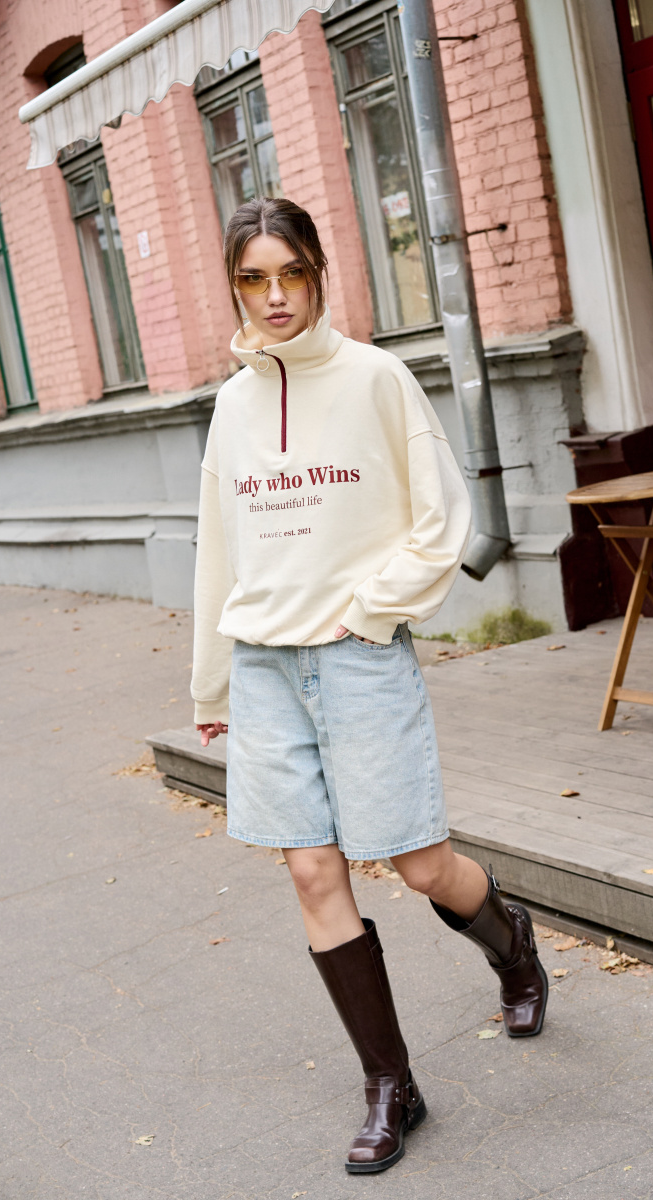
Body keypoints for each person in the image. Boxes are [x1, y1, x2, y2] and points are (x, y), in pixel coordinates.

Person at [190, 197, 548, 1175]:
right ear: (234, 287)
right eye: (253, 279)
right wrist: (211, 686)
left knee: (420, 864)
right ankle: (391, 1086)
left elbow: (442, 515)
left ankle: (510, 943)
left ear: (317, 274)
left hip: (356, 655)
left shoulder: (376, 379)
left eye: (290, 274)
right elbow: (218, 549)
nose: (274, 296)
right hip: (263, 665)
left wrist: (375, 609)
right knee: (312, 872)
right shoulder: (231, 406)